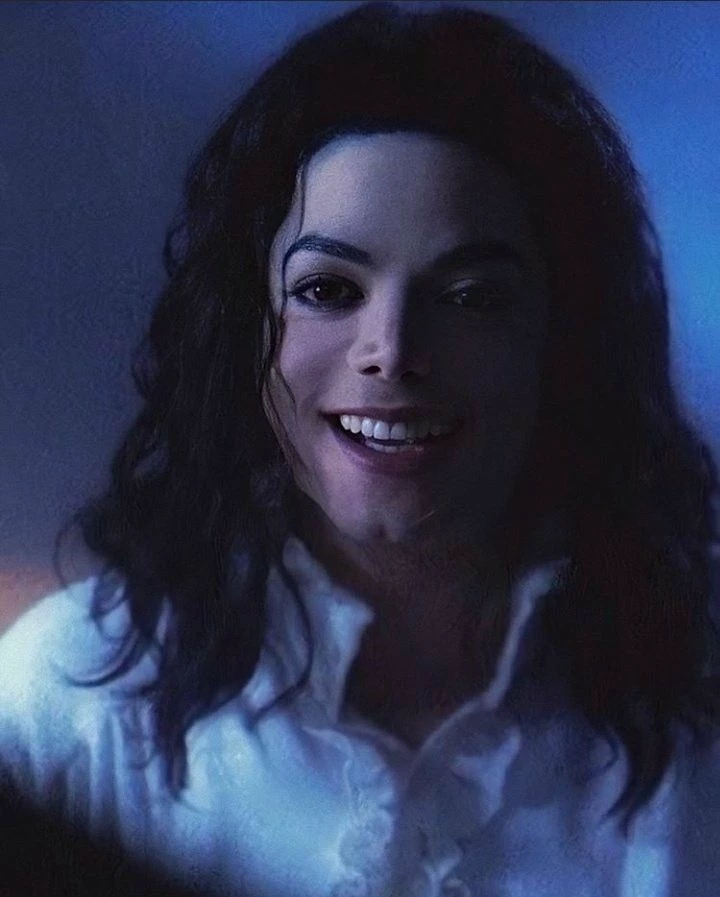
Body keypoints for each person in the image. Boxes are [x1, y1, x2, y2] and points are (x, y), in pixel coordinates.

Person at [1, 2, 719, 895]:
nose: (393, 351)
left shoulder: (694, 708)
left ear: (565, 337)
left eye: (470, 296)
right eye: (329, 290)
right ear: (244, 329)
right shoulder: (69, 705)